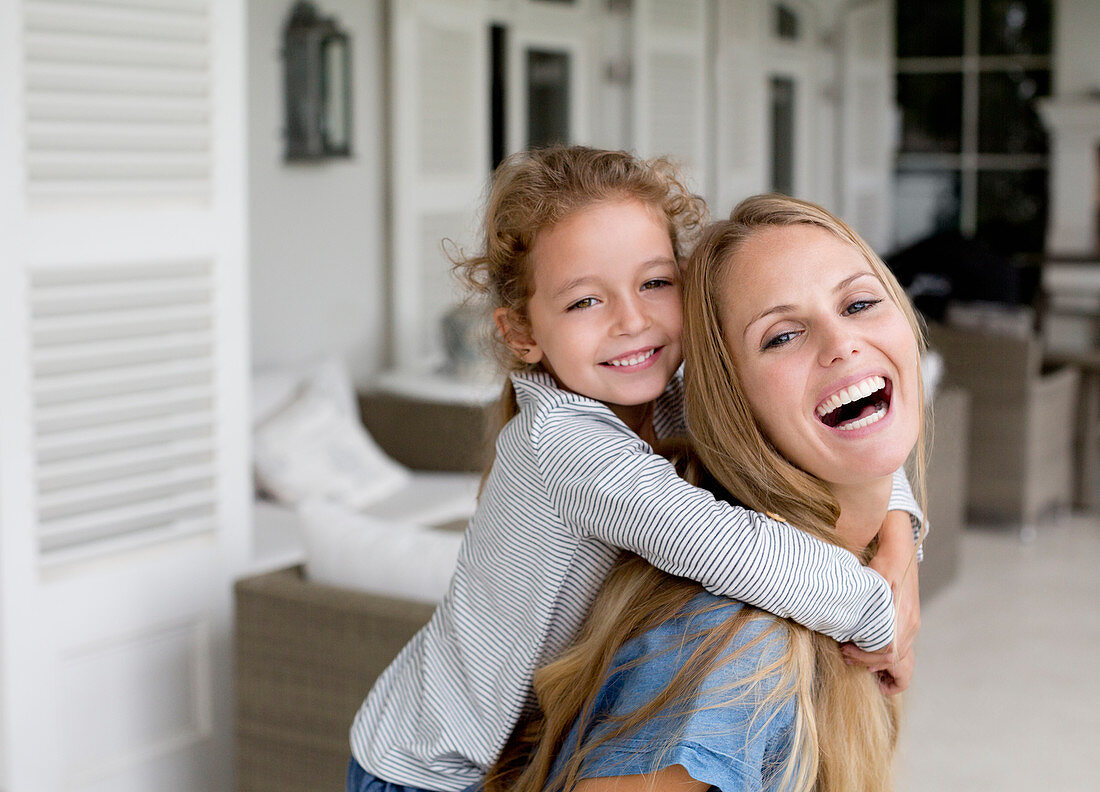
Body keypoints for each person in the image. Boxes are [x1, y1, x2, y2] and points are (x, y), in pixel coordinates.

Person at [346, 149, 923, 792]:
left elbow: (847, 438)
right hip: (426, 772)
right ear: (521, 334)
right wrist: (879, 614)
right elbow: (727, 549)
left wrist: (899, 537)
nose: (632, 320)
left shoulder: (666, 396)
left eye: (654, 283)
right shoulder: (561, 445)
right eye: (585, 301)